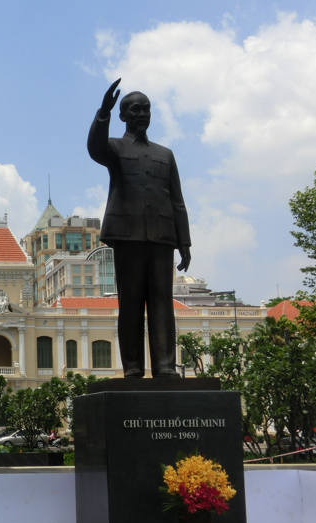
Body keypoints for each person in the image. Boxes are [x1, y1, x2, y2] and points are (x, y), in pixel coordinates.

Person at [88, 78, 191, 378]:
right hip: (128, 236)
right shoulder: (115, 147)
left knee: (162, 303)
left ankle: (165, 366)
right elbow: (95, 148)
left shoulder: (165, 154)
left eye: (146, 109)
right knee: (131, 302)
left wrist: (184, 242)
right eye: (135, 109)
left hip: (162, 237)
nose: (142, 114)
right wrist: (103, 113)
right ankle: (133, 367)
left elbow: (177, 200)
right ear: (123, 115)